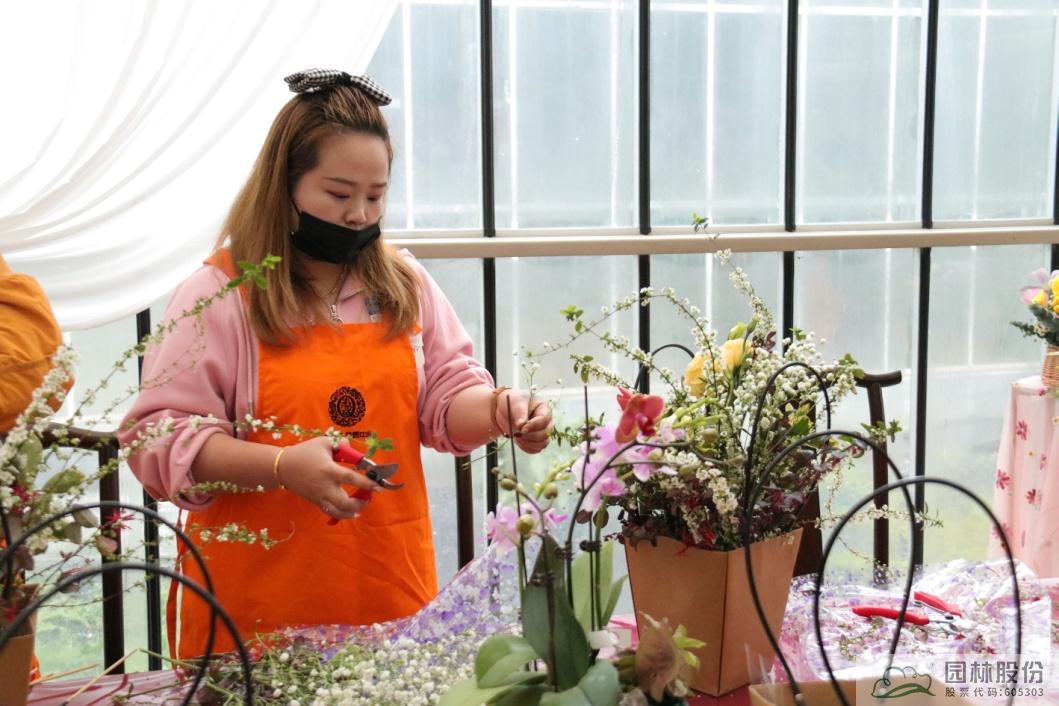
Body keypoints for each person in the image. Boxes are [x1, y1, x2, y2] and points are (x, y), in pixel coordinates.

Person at [119, 69, 552, 658]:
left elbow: (446, 399)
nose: (359, 215)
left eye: (376, 196)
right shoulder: (220, 294)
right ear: (284, 185)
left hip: (389, 602)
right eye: (340, 194)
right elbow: (160, 440)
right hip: (254, 619)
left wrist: (501, 411)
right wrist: (280, 465)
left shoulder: (403, 282)